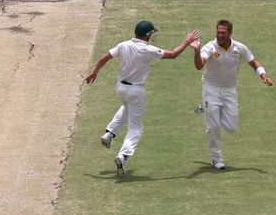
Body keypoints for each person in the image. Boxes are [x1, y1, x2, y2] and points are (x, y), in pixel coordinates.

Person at [85, 21, 200, 176]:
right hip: (136, 91)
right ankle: (123, 156)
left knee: (126, 107)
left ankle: (109, 133)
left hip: (120, 88)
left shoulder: (124, 44)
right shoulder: (148, 49)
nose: (153, 36)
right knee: (136, 128)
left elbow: (105, 57)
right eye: (151, 34)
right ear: (147, 35)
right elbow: (173, 55)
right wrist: (187, 42)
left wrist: (95, 72)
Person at [190, 20, 273, 170]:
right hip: (211, 89)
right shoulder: (210, 47)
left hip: (229, 91)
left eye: (223, 32)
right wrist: (196, 50)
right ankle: (216, 159)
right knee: (213, 126)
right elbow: (198, 66)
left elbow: (253, 62)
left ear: (230, 33)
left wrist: (263, 75)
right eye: (218, 32)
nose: (220, 35)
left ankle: (206, 108)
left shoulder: (239, 48)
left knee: (231, 127)